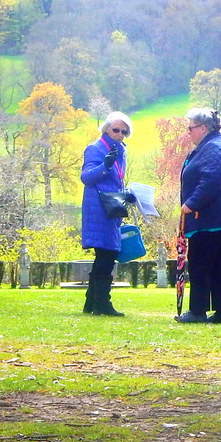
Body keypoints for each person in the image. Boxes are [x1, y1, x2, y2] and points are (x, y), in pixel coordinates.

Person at [176, 108, 221, 323]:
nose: (188, 132)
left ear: (202, 128)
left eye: (190, 128)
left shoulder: (213, 147)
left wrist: (191, 204)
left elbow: (211, 179)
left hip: (212, 218)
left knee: (200, 263)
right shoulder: (214, 145)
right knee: (219, 264)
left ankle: (198, 311)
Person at [78, 112, 134, 317]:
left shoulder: (121, 150)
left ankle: (92, 303)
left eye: (124, 132)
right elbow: (86, 177)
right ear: (106, 129)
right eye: (116, 130)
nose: (119, 134)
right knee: (107, 253)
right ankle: (102, 303)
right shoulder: (96, 148)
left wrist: (128, 194)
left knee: (105, 254)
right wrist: (105, 165)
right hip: (99, 207)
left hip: (112, 205)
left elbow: (116, 181)